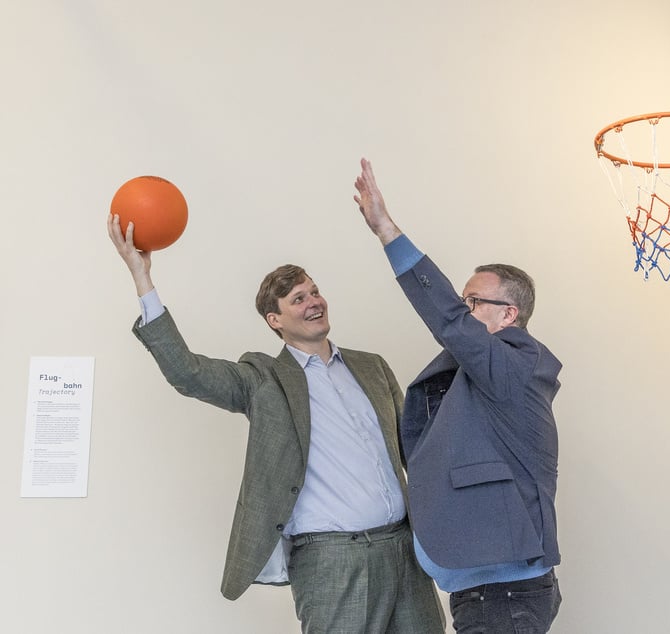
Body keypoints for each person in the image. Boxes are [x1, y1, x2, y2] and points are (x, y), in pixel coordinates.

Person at [106, 213, 444, 634]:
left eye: (314, 291)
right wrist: (142, 278)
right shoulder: (262, 379)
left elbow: (415, 449)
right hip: (332, 561)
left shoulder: (371, 366)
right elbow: (187, 373)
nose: (314, 302)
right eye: (298, 299)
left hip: (405, 551)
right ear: (275, 320)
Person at [352, 158, 563, 633]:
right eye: (463, 301)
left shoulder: (516, 364)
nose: (463, 311)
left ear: (508, 315)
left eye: (473, 303)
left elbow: (447, 319)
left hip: (504, 595)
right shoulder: (484, 376)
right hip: (488, 591)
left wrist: (387, 231)